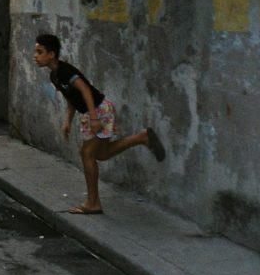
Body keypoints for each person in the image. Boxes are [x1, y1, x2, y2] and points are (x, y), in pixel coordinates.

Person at [33, 33, 165, 215]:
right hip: (91, 112)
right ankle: (142, 137)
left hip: (98, 110)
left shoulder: (64, 70)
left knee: (86, 153)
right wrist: (67, 121)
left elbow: (85, 90)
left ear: (52, 54)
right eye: (36, 52)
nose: (35, 56)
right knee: (101, 154)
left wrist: (94, 118)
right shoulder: (54, 76)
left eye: (39, 52)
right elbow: (71, 98)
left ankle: (93, 203)